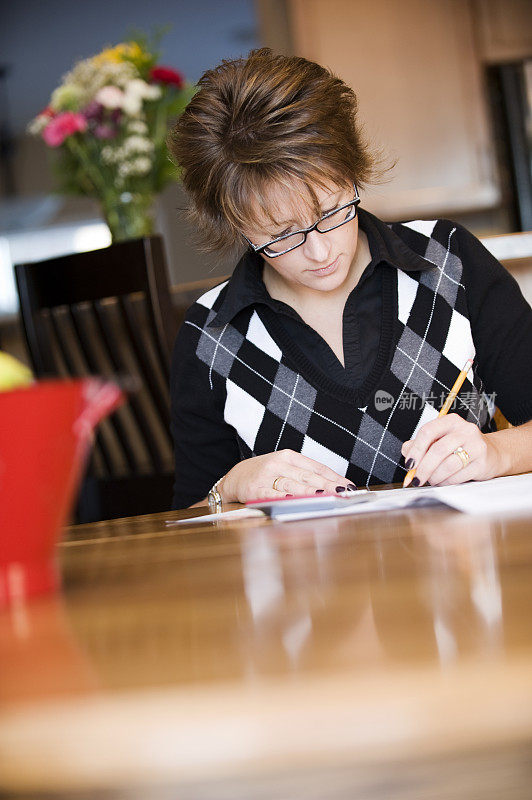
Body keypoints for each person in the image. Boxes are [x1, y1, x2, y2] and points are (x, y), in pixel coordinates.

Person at [167, 48, 532, 510]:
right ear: (237, 225)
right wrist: (230, 487)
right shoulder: (211, 335)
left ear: (353, 172)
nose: (320, 253)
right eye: (280, 235)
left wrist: (496, 452)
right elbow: (188, 520)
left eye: (332, 212)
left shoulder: (448, 261)